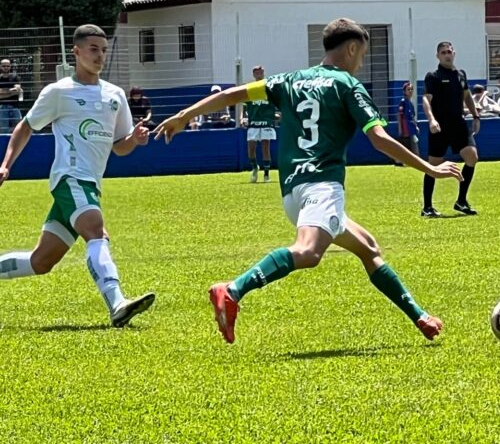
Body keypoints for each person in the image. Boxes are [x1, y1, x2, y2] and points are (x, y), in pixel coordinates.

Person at [154, 18, 462, 344]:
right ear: (353, 48)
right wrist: (430, 169)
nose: (361, 62)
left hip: (293, 191)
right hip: (322, 186)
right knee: (309, 252)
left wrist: (184, 115)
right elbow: (380, 139)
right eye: (362, 54)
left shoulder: (288, 80)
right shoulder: (347, 85)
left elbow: (236, 94)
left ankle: (420, 317)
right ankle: (232, 290)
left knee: (368, 248)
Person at [0, 25, 155, 327]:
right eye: (93, 49)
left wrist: (134, 140)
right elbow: (26, 126)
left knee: (41, 262)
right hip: (70, 178)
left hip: (90, 185)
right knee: (97, 232)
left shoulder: (115, 95)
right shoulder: (59, 92)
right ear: (76, 52)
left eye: (104, 50)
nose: (99, 56)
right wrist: (6, 164)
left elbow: (118, 148)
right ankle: (117, 302)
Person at [421, 41, 480, 218]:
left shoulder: (461, 75)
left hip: (459, 125)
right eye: (443, 52)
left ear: (454, 53)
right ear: (438, 56)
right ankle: (427, 207)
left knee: (472, 156)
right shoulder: (433, 76)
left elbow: (467, 95)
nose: (447, 55)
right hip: (440, 127)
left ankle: (461, 201)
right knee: (433, 166)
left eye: (449, 51)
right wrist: (431, 120)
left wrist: (475, 115)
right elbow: (426, 100)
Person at [242, 65, 279, 182]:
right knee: (251, 149)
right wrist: (242, 118)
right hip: (253, 122)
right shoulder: (250, 88)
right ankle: (254, 168)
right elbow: (244, 106)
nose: (258, 74)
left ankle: (266, 174)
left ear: (263, 73)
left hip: (267, 122)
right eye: (256, 73)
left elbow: (277, 104)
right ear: (253, 75)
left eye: (260, 72)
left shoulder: (269, 88)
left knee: (265, 147)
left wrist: (277, 114)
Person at [394, 81, 419, 166]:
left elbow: (412, 116)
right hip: (406, 128)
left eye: (412, 89)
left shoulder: (410, 103)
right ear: (404, 91)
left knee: (411, 145)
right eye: (408, 89)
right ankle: (399, 161)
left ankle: (412, 161)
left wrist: (416, 126)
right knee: (405, 145)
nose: (411, 91)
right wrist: (400, 128)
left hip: (411, 128)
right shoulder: (403, 102)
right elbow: (399, 115)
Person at [0, 58, 23, 134]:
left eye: (7, 66)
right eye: (4, 66)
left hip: (15, 106)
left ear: (10, 66)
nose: (6, 67)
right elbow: (15, 91)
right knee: (3, 131)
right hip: (2, 107)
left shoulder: (15, 77)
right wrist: (11, 92)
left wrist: (3, 92)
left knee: (18, 129)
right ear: (0, 66)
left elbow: (18, 91)